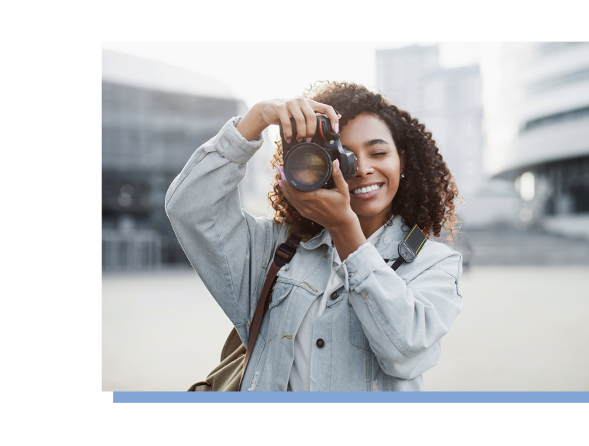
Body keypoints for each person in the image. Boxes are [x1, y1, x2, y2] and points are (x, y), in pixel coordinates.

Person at [165, 81, 463, 391]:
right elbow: (189, 208)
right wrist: (257, 119)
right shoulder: (276, 249)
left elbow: (404, 350)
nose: (362, 168)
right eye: (344, 155)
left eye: (378, 152)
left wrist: (345, 230)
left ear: (401, 161)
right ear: (314, 164)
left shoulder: (435, 264)